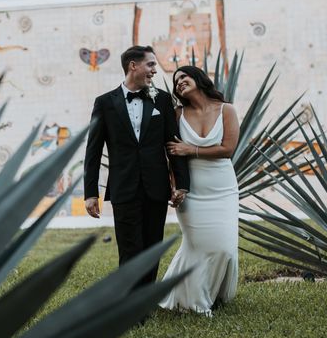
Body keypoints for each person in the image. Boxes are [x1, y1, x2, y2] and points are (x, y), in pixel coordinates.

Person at [84, 46, 190, 287]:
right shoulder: (104, 103)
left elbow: (172, 144)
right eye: (151, 64)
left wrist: (181, 183)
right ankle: (128, 302)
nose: (154, 70)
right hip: (124, 187)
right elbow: (93, 150)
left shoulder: (162, 99)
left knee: (153, 246)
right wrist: (91, 193)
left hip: (156, 187)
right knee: (130, 248)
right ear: (133, 65)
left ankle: (144, 299)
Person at [159, 65, 240, 316]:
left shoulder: (226, 110)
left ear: (198, 78)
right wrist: (175, 185)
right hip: (191, 190)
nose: (179, 82)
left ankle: (210, 292)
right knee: (196, 245)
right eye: (176, 81)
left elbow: (227, 149)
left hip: (223, 188)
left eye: (184, 76)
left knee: (224, 247)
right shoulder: (176, 114)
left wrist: (190, 150)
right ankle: (195, 301)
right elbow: (171, 154)